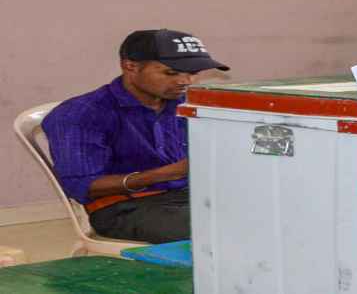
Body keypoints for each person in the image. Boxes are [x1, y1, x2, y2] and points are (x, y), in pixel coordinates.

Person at [43, 29, 229, 244]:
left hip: (185, 195)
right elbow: (81, 185)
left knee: (265, 212)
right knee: (225, 228)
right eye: (171, 73)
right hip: (122, 208)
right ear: (130, 66)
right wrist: (168, 173)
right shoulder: (81, 114)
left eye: (193, 73)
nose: (185, 81)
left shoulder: (185, 104)